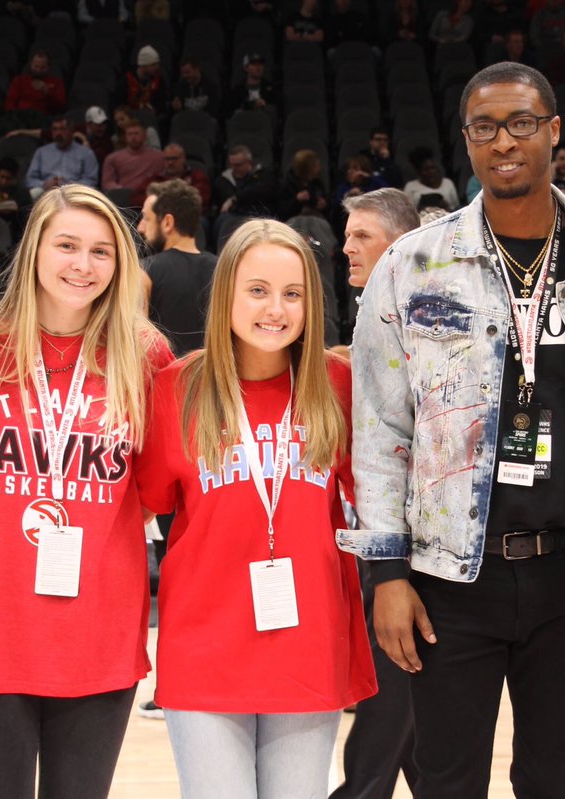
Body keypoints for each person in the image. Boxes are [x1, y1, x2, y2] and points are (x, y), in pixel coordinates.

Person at [343, 61, 565, 798]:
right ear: (466, 140)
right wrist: (385, 572)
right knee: (447, 781)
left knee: (554, 780)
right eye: (485, 127)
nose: (504, 141)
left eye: (521, 122)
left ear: (554, 132)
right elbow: (380, 428)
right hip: (449, 575)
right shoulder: (411, 265)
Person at [0, 183, 172, 799]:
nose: (82, 265)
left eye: (101, 251)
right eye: (66, 245)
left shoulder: (145, 355)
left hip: (98, 633)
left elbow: (156, 493)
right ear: (35, 249)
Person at [135, 218, 376, 798]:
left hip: (307, 646)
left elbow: (376, 496)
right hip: (205, 649)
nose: (276, 309)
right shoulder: (176, 389)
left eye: (292, 293)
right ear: (226, 296)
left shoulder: (335, 384)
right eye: (258, 290)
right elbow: (143, 508)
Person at [330, 187, 421, 799]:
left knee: (394, 693)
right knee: (404, 700)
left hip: (417, 538)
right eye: (347, 235)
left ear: (401, 242)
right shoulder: (366, 316)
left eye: (362, 234)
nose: (346, 246)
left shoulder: (428, 318)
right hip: (372, 536)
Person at [138, 179, 216, 356]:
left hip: (162, 378)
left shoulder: (144, 271)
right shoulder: (225, 270)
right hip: (213, 378)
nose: (141, 228)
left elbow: (136, 343)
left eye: (147, 218)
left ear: (167, 222)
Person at [26, 117, 101, 199]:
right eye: (55, 129)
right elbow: (30, 179)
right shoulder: (41, 152)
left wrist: (71, 186)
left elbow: (92, 180)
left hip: (75, 195)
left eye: (62, 129)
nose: (58, 133)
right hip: (46, 193)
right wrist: (44, 184)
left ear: (72, 131)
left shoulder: (86, 153)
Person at [132, 142, 211, 210]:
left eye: (174, 159)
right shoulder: (155, 179)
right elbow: (136, 198)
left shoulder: (196, 176)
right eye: (167, 159)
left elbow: (201, 198)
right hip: (159, 216)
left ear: (183, 158)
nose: (170, 163)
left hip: (189, 216)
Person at [100, 120, 165, 193]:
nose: (133, 137)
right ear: (125, 137)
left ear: (144, 135)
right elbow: (107, 183)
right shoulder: (112, 159)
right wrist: (121, 190)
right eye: (130, 134)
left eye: (136, 133)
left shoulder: (159, 157)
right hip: (124, 198)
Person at [5, 50, 67, 118]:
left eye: (42, 68)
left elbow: (60, 106)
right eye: (36, 66)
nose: (38, 70)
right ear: (31, 64)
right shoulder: (19, 80)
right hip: (21, 117)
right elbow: (10, 102)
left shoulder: (57, 82)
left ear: (48, 67)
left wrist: (47, 92)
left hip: (42, 118)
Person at [402, 147, 460, 211]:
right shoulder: (410, 187)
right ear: (418, 172)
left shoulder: (448, 183)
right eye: (426, 170)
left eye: (433, 168)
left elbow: (456, 207)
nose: (431, 172)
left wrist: (446, 207)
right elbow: (408, 211)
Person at [278, 149, 329, 220]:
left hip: (315, 220)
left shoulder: (317, 183)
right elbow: (281, 212)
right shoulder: (287, 184)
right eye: (315, 166)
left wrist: (324, 205)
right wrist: (297, 200)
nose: (319, 169)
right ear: (306, 168)